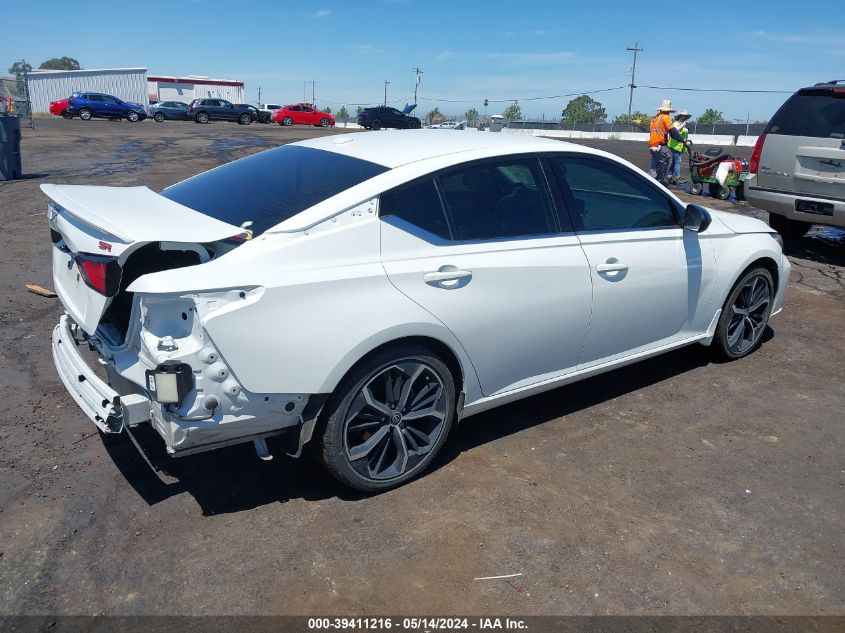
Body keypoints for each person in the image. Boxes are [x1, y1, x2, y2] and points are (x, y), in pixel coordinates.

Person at [648, 100, 688, 184]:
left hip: (652, 145)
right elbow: (673, 131)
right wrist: (681, 139)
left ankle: (651, 181)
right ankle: (659, 182)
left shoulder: (654, 119)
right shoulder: (665, 117)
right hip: (661, 145)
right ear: (668, 110)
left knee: (654, 163)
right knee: (665, 161)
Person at [667, 110, 692, 184]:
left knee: (674, 162)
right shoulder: (676, 123)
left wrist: (687, 145)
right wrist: (683, 125)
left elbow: (684, 135)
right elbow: (675, 130)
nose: (685, 118)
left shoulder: (683, 124)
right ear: (680, 116)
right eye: (684, 116)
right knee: (678, 161)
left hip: (680, 146)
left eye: (686, 116)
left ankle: (669, 176)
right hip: (674, 145)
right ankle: (678, 177)